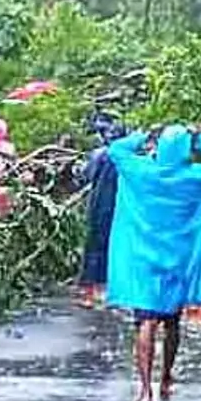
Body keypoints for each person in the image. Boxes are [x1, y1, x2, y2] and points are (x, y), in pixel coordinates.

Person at [105, 124, 201, 401]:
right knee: (172, 321)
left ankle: (143, 389)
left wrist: (143, 136)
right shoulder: (194, 177)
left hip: (143, 260)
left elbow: (115, 150)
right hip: (178, 260)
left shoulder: (141, 172)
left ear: (159, 148)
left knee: (146, 320)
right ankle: (165, 378)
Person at [75, 121, 127, 309]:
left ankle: (88, 289)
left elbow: (84, 176)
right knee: (111, 246)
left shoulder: (97, 154)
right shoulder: (125, 157)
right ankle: (103, 288)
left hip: (96, 204)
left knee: (93, 245)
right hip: (117, 206)